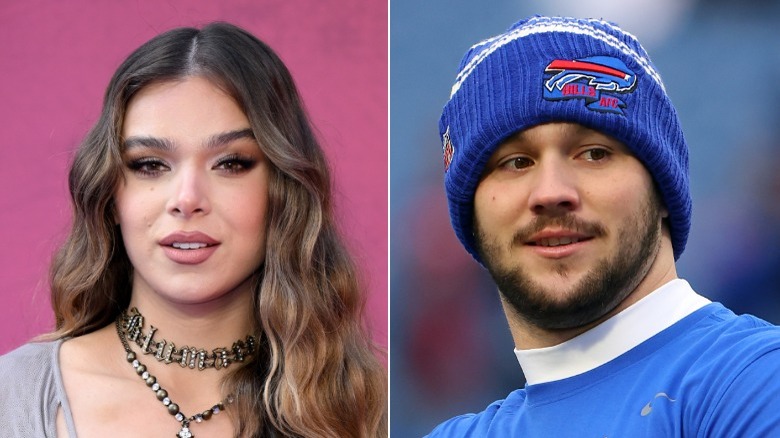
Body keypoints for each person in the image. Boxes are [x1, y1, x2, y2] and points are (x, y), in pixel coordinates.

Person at [0, 22, 386, 438]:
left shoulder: (366, 406)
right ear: (111, 195)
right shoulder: (13, 395)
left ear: (283, 192)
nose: (187, 199)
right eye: (150, 164)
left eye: (231, 163)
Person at [427, 15, 780, 437]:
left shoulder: (755, 382)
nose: (551, 191)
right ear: (472, 219)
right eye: (515, 162)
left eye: (593, 154)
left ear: (663, 191)